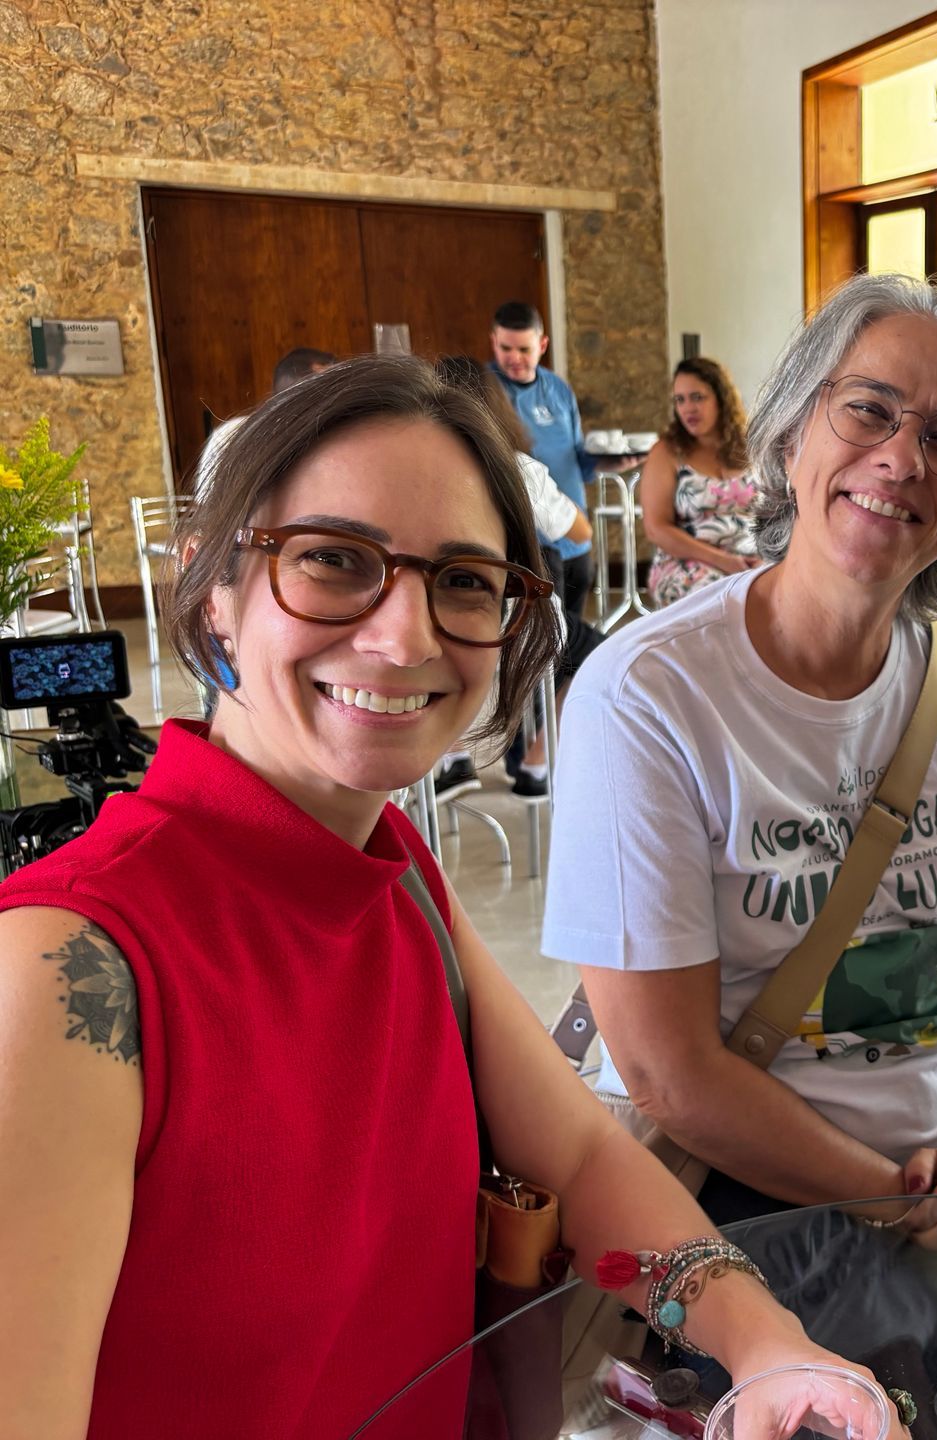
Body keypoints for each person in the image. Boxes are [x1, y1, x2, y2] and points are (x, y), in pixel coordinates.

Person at [0, 356, 892, 1439]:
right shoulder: (69, 971)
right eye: (333, 560)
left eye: (465, 581)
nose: (405, 637)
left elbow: (579, 1155)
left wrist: (763, 1342)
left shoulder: (397, 876)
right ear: (214, 589)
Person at [542, 274, 937, 1251]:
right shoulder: (647, 697)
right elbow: (669, 1073)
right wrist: (907, 1203)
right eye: (867, 409)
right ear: (791, 437)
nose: (903, 457)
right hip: (746, 1204)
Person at [434, 354, 598, 800]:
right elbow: (580, 533)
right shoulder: (516, 468)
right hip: (515, 624)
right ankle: (536, 765)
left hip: (435, 622)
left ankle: (454, 755)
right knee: (596, 654)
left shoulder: (413, 472)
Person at [488, 300, 638, 619]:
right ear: (493, 342)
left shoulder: (558, 389)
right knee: (545, 636)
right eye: (505, 348)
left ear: (542, 345)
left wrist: (608, 463)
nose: (514, 358)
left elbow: (578, 459)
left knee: (573, 635)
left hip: (576, 534)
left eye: (524, 349)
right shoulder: (487, 390)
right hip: (530, 543)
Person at [641, 356, 761, 607]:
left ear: (721, 398)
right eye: (680, 400)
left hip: (754, 558)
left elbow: (775, 512)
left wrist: (767, 559)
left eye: (697, 397)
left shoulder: (751, 445)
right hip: (687, 564)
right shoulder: (667, 452)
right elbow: (656, 529)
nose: (688, 408)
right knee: (721, 601)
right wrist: (724, 561)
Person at [193, 346, 336, 500]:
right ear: (296, 393)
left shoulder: (334, 434)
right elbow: (209, 503)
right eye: (329, 386)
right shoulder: (233, 435)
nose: (339, 395)